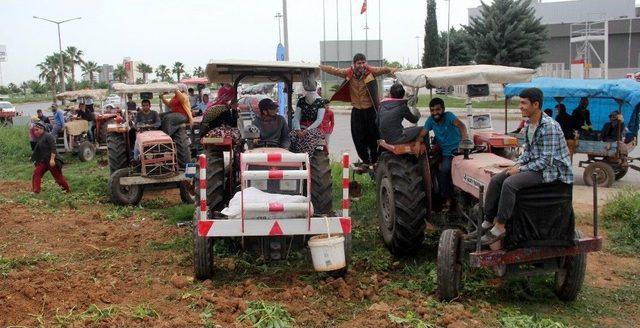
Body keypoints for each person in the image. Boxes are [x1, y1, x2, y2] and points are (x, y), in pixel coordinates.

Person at [478, 88, 573, 247]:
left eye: (524, 103)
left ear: (536, 105)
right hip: (536, 166)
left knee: (510, 183)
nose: (520, 106)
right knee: (497, 179)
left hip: (552, 171)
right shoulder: (529, 124)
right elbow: (528, 151)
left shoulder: (549, 126)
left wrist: (520, 170)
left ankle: (500, 227)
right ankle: (488, 220)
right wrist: (517, 164)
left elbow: (546, 161)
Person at [320, 53, 398, 166]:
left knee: (374, 137)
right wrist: (320, 67)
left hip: (371, 110)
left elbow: (383, 69)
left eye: (363, 62)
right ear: (354, 64)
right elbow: (334, 70)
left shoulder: (370, 71)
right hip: (357, 111)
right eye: (359, 63)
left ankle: (376, 160)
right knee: (358, 138)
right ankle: (366, 161)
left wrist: (392, 69)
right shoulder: (349, 73)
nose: (361, 65)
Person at [416, 97, 469, 208]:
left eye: (438, 109)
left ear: (443, 109)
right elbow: (421, 135)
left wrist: (464, 142)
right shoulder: (430, 121)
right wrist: (418, 143)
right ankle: (448, 198)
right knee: (443, 170)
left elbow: (462, 126)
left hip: (459, 150)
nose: (435, 113)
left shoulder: (449, 116)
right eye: (432, 110)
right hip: (447, 154)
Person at [31, 121, 71, 194]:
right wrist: (33, 157)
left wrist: (52, 159)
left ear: (42, 128)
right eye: (34, 130)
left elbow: (53, 148)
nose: (35, 132)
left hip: (52, 160)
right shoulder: (40, 138)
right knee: (37, 173)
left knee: (58, 177)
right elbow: (38, 149)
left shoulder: (48, 136)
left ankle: (67, 191)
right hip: (44, 161)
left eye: (37, 130)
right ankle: (36, 191)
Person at [290, 80, 328, 155]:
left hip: (315, 127)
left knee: (309, 137)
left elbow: (319, 119)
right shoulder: (301, 100)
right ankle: (293, 157)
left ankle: (307, 158)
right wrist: (298, 129)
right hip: (302, 126)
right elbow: (296, 117)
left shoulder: (321, 102)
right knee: (292, 135)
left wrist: (307, 130)